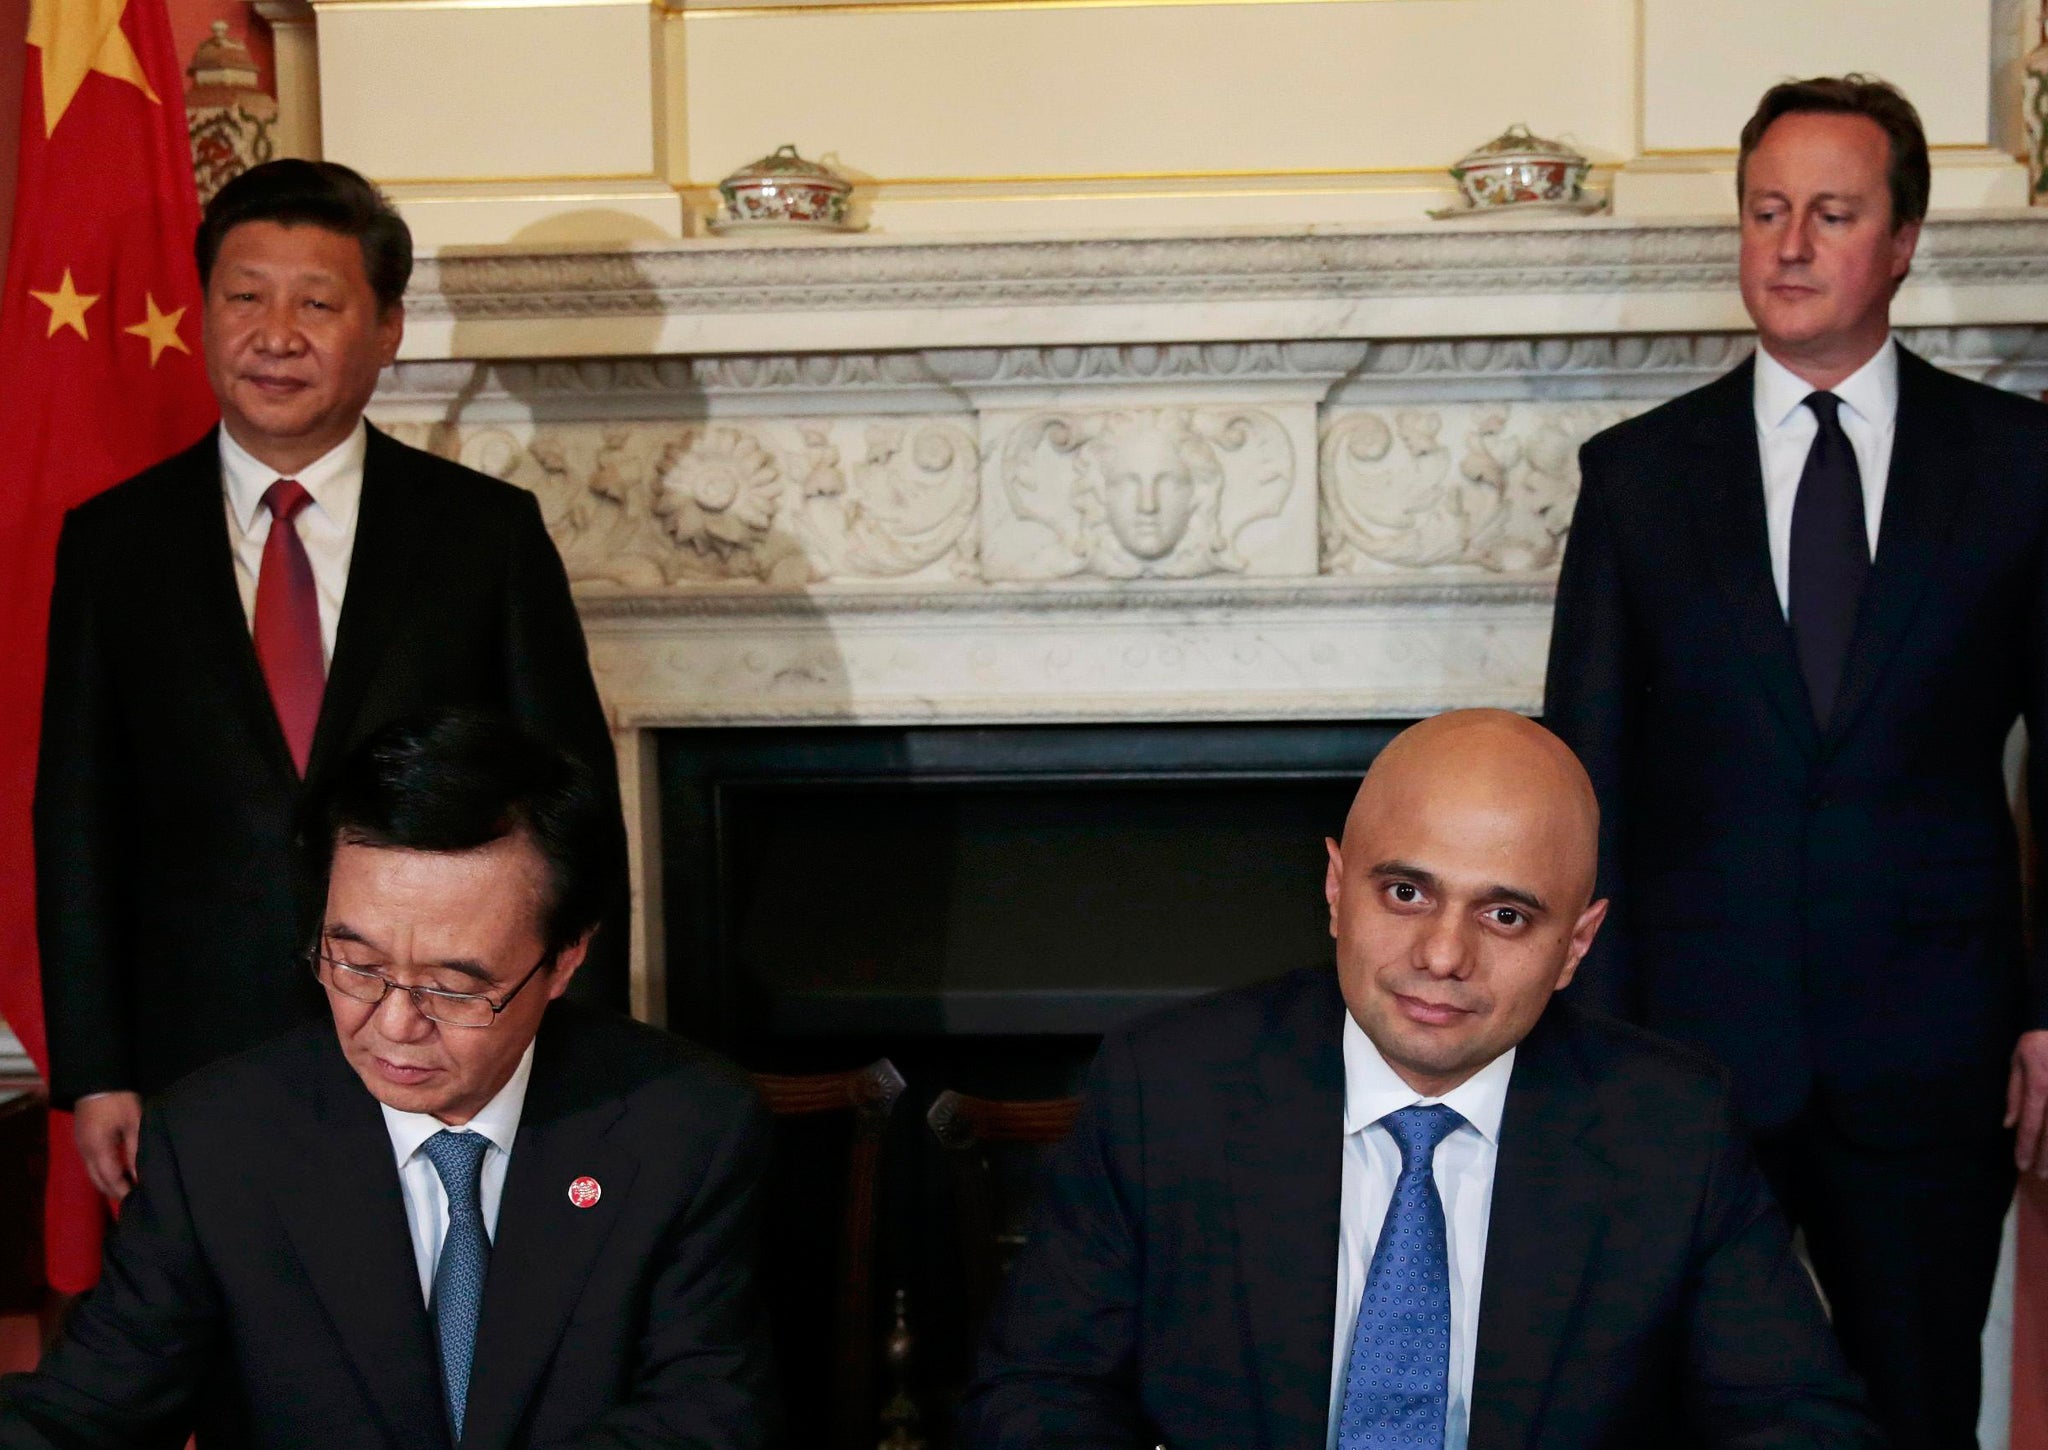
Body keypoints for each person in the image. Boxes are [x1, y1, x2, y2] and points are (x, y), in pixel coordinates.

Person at [1543, 74, 2048, 1449]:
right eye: (1767, 211)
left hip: (1934, 1051)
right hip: (1689, 1059)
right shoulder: (1639, 478)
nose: (1790, 244)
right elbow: (1585, 780)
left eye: (1832, 213)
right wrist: (1590, 1048)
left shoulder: (2019, 467)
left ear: (1902, 243)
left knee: (1914, 1408)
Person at [959, 710, 1879, 1450]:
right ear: (1334, 888)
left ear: (1577, 946)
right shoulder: (1167, 1091)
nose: (1443, 955)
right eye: (1405, 893)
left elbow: (1800, 1423)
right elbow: (1039, 1396)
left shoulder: (1672, 1129)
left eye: (1508, 915)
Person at [34, 158, 627, 1214]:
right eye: (244, 295)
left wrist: (581, 1045)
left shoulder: (482, 535)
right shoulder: (115, 542)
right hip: (195, 1049)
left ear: (386, 327)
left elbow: (575, 812)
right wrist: (93, 1066)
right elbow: (78, 816)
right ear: (205, 311)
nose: (275, 332)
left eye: (317, 302)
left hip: (442, 1035)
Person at [0, 710, 773, 1450]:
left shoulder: (683, 1126)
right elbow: (92, 1410)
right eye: (358, 966)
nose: (395, 1024)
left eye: (454, 985)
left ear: (566, 957)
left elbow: (704, 1418)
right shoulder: (217, 1141)